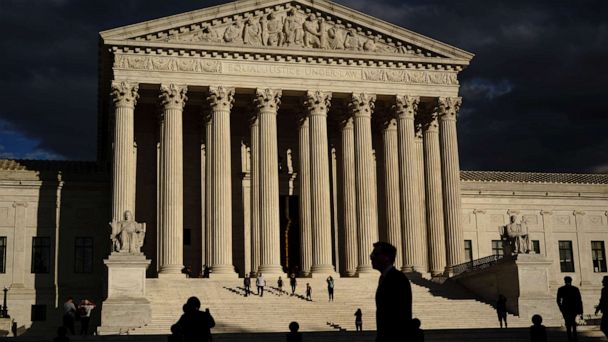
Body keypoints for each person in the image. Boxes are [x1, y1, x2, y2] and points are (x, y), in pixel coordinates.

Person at [371, 241, 413, 341]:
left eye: (375, 254)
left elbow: (399, 315)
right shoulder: (386, 278)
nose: (371, 257)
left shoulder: (397, 279)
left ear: (387, 258)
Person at [557, 276, 583, 342]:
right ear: (571, 281)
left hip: (565, 308)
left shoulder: (561, 289)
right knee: (573, 322)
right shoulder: (575, 289)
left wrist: (561, 308)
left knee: (567, 323)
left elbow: (558, 300)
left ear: (564, 281)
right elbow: (579, 300)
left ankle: (569, 338)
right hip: (574, 307)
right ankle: (575, 336)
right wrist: (580, 310)